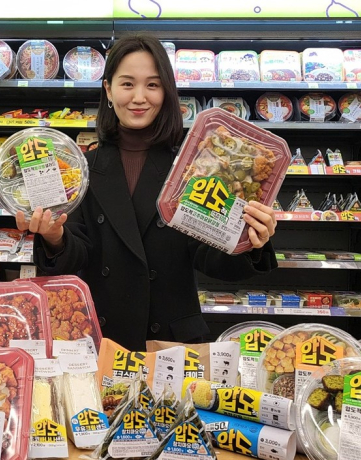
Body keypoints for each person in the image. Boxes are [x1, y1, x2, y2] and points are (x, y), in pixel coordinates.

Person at [16, 33, 278, 351]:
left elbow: (210, 258)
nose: (139, 97)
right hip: (103, 340)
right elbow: (76, 256)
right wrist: (54, 237)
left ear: (166, 92)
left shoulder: (194, 168)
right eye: (127, 84)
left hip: (171, 343)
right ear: (108, 89)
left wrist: (249, 240)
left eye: (152, 85)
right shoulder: (81, 170)